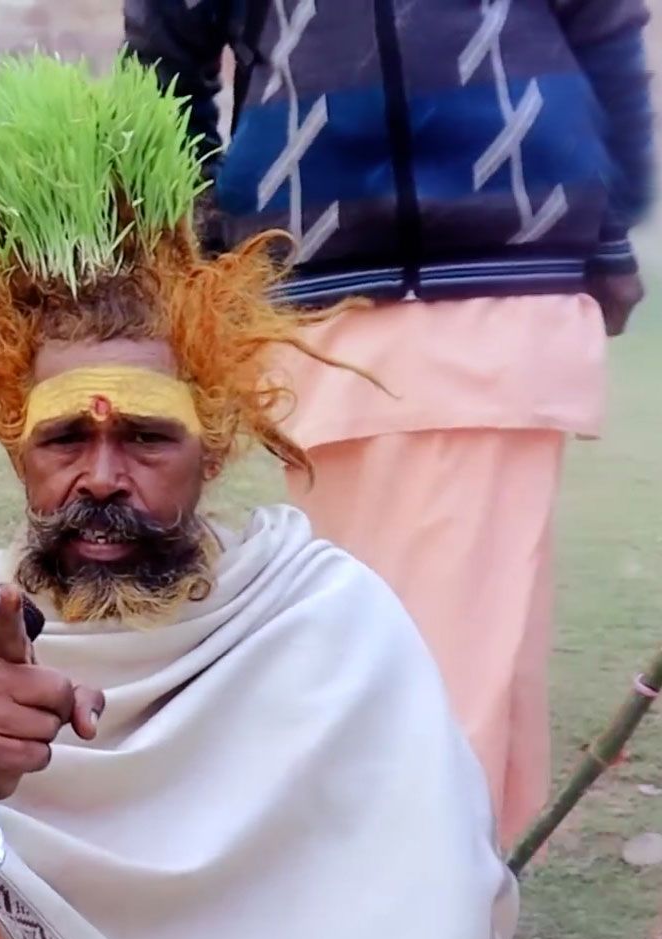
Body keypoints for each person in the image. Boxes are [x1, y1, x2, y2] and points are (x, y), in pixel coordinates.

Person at [0, 56, 620, 939]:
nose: (103, 479)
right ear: (15, 445)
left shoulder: (327, 623)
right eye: (63, 443)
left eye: (146, 438)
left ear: (215, 443)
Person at [126, 0, 655, 846]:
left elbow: (602, 27)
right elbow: (163, 59)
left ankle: (433, 893)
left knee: (467, 630)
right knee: (417, 627)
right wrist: (211, 236)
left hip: (503, 280)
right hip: (321, 297)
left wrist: (608, 221)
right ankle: (437, 882)